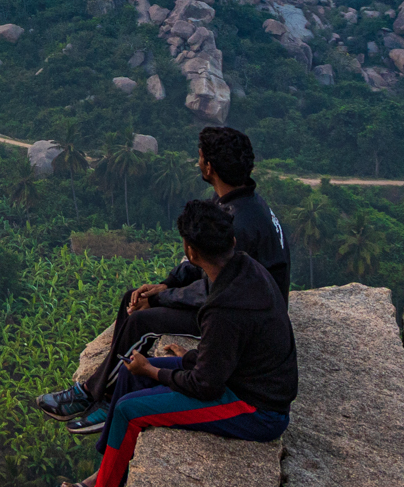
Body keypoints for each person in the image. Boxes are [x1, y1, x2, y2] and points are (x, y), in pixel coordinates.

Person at [36, 125, 290, 433]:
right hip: (245, 304)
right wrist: (167, 285)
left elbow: (213, 292)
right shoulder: (236, 202)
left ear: (208, 166)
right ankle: (96, 388)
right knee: (133, 297)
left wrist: (159, 298)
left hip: (244, 320)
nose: (198, 163)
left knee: (144, 322)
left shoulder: (241, 223)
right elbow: (197, 263)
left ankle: (102, 397)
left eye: (199, 157)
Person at [55, 198, 296, 487]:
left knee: (130, 409)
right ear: (232, 241)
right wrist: (194, 357)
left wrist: (155, 371)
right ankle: (107, 473)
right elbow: (230, 348)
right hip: (236, 375)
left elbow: (206, 386)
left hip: (256, 407)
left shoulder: (224, 307)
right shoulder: (245, 268)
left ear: (191, 253)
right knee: (130, 372)